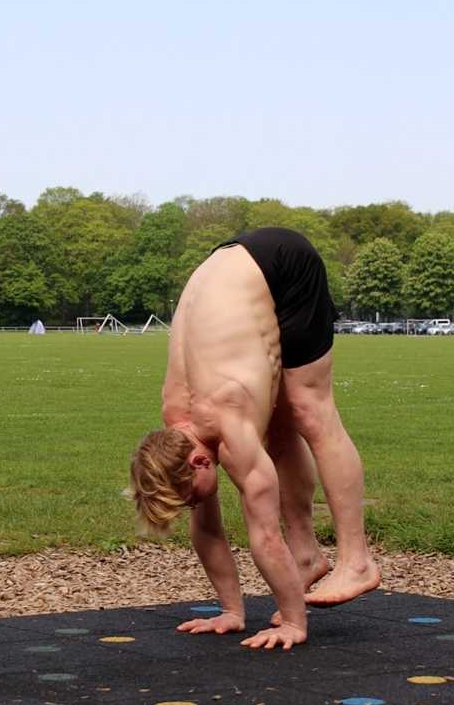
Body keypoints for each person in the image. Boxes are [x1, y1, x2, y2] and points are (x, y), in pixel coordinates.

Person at [128, 228, 379, 650]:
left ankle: (356, 560)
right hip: (232, 274)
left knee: (307, 410)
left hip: (283, 264)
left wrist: (293, 625)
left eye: (189, 499)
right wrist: (231, 612)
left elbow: (263, 535)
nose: (196, 507)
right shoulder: (178, 427)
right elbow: (207, 533)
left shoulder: (227, 429)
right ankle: (307, 558)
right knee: (275, 423)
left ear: (199, 463)